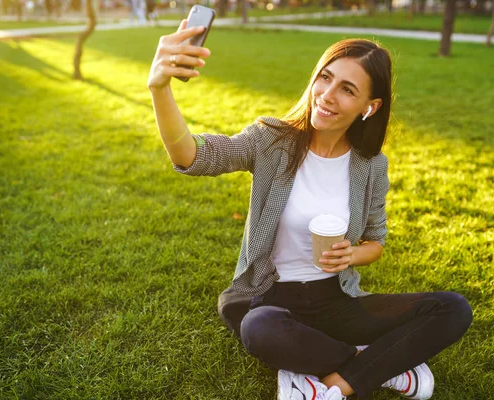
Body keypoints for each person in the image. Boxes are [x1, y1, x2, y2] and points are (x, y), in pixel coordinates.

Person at [147, 20, 473, 400]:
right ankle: (375, 366)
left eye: (347, 89)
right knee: (258, 327)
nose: (327, 95)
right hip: (272, 297)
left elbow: (376, 242)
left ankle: (330, 379)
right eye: (325, 78)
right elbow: (193, 155)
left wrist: (352, 254)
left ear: (370, 107)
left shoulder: (371, 166)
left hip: (335, 301)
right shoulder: (271, 140)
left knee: (452, 308)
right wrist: (159, 88)